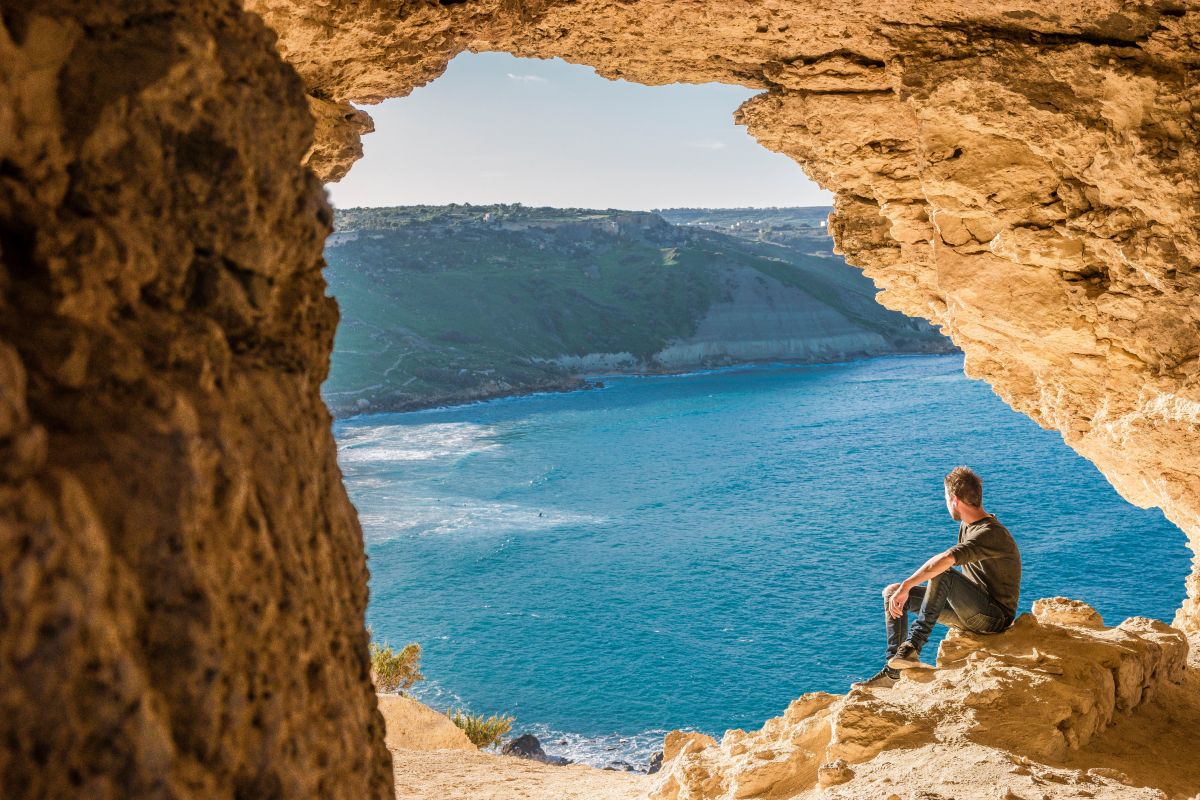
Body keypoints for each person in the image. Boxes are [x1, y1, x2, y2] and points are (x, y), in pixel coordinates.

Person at [854, 466, 1021, 689]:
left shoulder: (990, 533)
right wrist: (902, 590)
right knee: (893, 594)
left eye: (945, 497)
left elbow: (945, 560)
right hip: (970, 611)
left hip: (993, 618)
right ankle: (893, 670)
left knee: (943, 573)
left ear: (955, 500)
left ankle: (913, 647)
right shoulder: (968, 525)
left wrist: (908, 584)